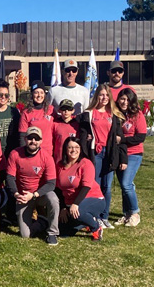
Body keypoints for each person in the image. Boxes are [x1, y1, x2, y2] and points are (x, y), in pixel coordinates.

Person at [80, 84, 128, 229]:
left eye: (107, 95)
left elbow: (121, 139)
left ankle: (105, 216)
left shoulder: (114, 115)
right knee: (95, 185)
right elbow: (82, 133)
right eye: (101, 95)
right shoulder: (89, 113)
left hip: (110, 153)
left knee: (107, 187)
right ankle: (95, 216)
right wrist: (86, 143)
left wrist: (123, 159)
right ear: (96, 96)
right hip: (96, 153)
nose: (104, 98)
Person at [6, 126, 60, 245]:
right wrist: (16, 194)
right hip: (23, 196)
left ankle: (52, 233)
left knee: (53, 199)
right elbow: (10, 177)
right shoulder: (15, 154)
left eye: (36, 139)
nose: (33, 141)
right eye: (30, 138)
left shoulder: (46, 157)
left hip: (39, 194)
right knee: (25, 235)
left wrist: (34, 195)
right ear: (25, 139)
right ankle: (43, 222)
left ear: (41, 141)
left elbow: (51, 183)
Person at [55, 137, 105, 241]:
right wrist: (63, 207)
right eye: (70, 147)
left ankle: (96, 227)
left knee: (79, 212)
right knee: (63, 232)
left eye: (77, 147)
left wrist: (76, 204)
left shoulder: (85, 163)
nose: (74, 150)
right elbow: (58, 188)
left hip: (93, 198)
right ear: (65, 149)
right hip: (70, 203)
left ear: (81, 149)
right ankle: (83, 222)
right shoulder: (60, 165)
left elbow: (86, 186)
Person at [114, 88, 146, 227]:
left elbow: (141, 137)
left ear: (132, 100)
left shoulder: (137, 115)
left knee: (127, 184)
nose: (124, 102)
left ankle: (135, 213)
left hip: (134, 153)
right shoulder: (117, 114)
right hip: (120, 154)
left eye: (127, 99)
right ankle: (126, 213)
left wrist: (123, 140)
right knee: (123, 185)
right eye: (122, 98)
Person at [19, 80, 54, 154]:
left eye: (41, 92)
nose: (39, 95)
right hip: (32, 152)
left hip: (48, 152)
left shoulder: (51, 110)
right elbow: (22, 136)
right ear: (32, 94)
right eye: (36, 92)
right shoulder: (26, 113)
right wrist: (25, 153)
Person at [0, 79, 20, 158]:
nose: (3, 97)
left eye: (6, 95)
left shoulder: (14, 112)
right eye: (0, 94)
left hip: (12, 151)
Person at [52, 99, 80, 164]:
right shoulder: (55, 124)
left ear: (73, 110)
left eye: (69, 109)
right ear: (59, 110)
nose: (66, 111)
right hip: (58, 159)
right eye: (63, 108)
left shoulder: (77, 124)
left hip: (73, 159)